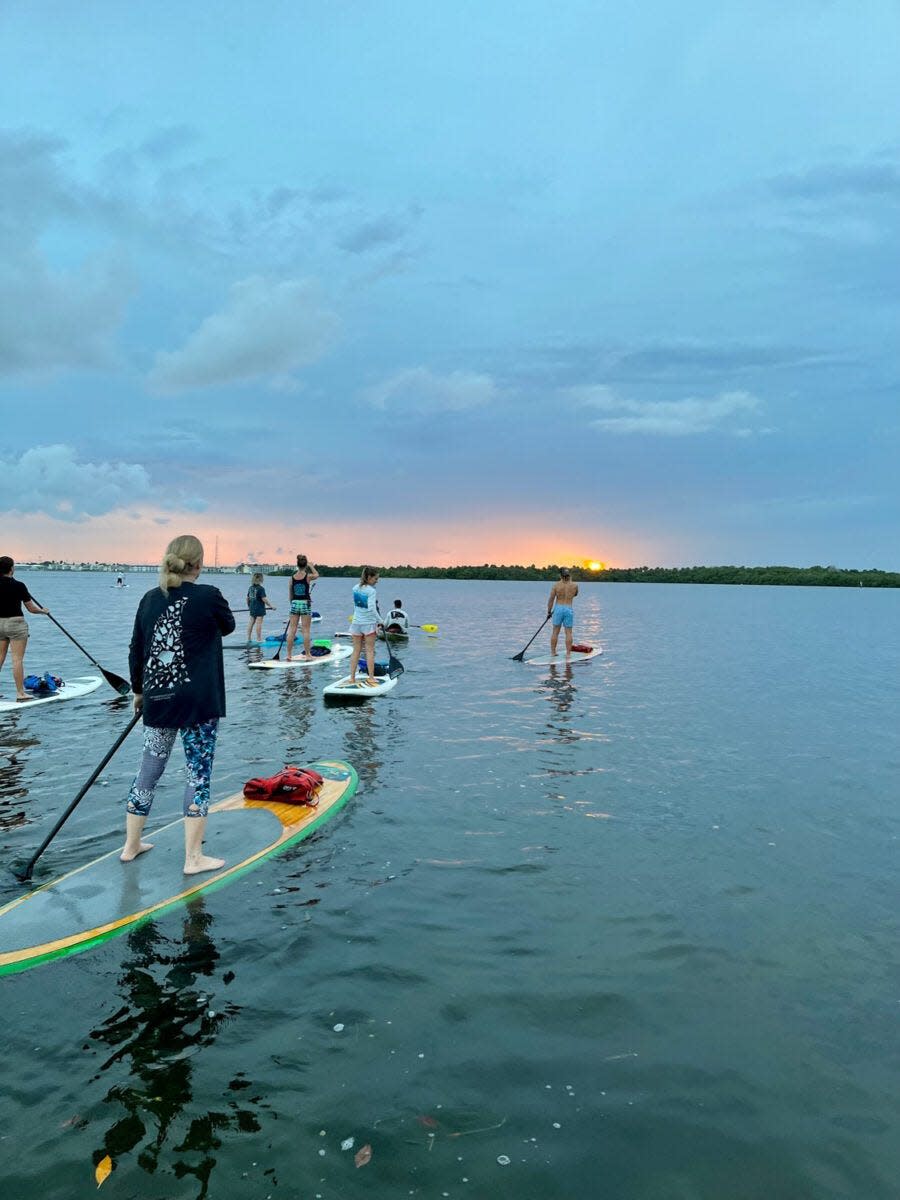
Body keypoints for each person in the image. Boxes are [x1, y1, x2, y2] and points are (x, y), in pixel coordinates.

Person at [121, 534, 235, 875]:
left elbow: (136, 649)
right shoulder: (209, 596)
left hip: (158, 698)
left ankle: (130, 847)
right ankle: (193, 859)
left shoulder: (149, 599)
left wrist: (139, 693)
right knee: (197, 774)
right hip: (198, 703)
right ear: (198, 564)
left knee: (148, 771)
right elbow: (227, 627)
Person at [0, 556, 50, 701]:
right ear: (11, 569)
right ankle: (20, 693)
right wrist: (44, 611)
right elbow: (31, 609)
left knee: (0, 657)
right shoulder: (19, 585)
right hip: (16, 624)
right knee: (17, 660)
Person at [348, 566, 379, 685]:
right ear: (369, 577)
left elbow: (358, 607)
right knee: (370, 651)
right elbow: (372, 609)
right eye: (375, 578)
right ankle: (371, 677)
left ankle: (352, 678)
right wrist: (380, 620)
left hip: (356, 623)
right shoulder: (371, 591)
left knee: (356, 650)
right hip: (368, 624)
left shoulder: (355, 588)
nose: (377, 581)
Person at [286, 554, 319, 661]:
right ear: (305, 565)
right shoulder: (308, 577)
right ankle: (308, 655)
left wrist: (292, 603)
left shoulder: (291, 578)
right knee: (306, 630)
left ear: (297, 565)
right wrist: (311, 565)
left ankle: (289, 655)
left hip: (294, 604)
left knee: (292, 630)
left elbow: (290, 594)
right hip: (305, 604)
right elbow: (317, 575)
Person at [547, 566, 579, 658]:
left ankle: (553, 653)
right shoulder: (575, 585)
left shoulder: (556, 585)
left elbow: (551, 599)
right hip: (568, 608)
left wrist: (549, 612)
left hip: (558, 608)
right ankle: (568, 654)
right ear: (569, 575)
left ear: (560, 575)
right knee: (568, 632)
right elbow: (575, 594)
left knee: (555, 631)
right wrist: (570, 582)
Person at [246, 571, 275, 643]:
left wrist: (249, 606)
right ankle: (259, 639)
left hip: (252, 608)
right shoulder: (261, 588)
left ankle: (248, 638)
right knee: (259, 624)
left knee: (251, 623)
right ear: (261, 580)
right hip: (259, 609)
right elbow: (264, 599)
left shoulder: (250, 588)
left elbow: (247, 598)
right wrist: (271, 606)